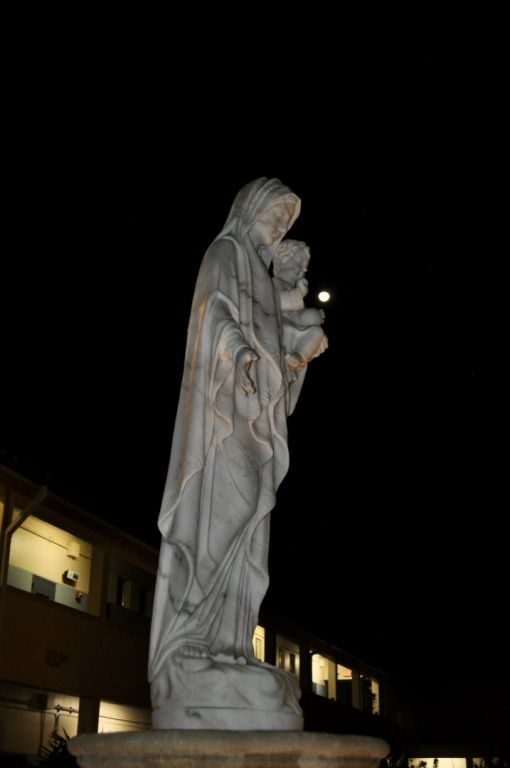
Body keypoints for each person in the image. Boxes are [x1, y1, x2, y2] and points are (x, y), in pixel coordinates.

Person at [148, 178, 324, 731]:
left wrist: (292, 363)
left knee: (252, 527)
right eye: (273, 217)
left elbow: (279, 346)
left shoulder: (269, 283)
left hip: (256, 419)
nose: (278, 229)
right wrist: (241, 352)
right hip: (223, 419)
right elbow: (213, 316)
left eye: (285, 223)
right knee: (228, 515)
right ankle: (187, 642)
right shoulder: (224, 254)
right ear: (249, 211)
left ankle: (229, 646)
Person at [272, 239, 328, 371]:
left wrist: (314, 316)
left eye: (305, 265)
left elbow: (300, 317)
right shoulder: (273, 283)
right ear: (282, 260)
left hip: (296, 333)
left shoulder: (296, 291)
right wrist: (297, 294)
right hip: (280, 327)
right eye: (298, 263)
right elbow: (273, 301)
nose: (304, 268)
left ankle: (299, 357)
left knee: (317, 332)